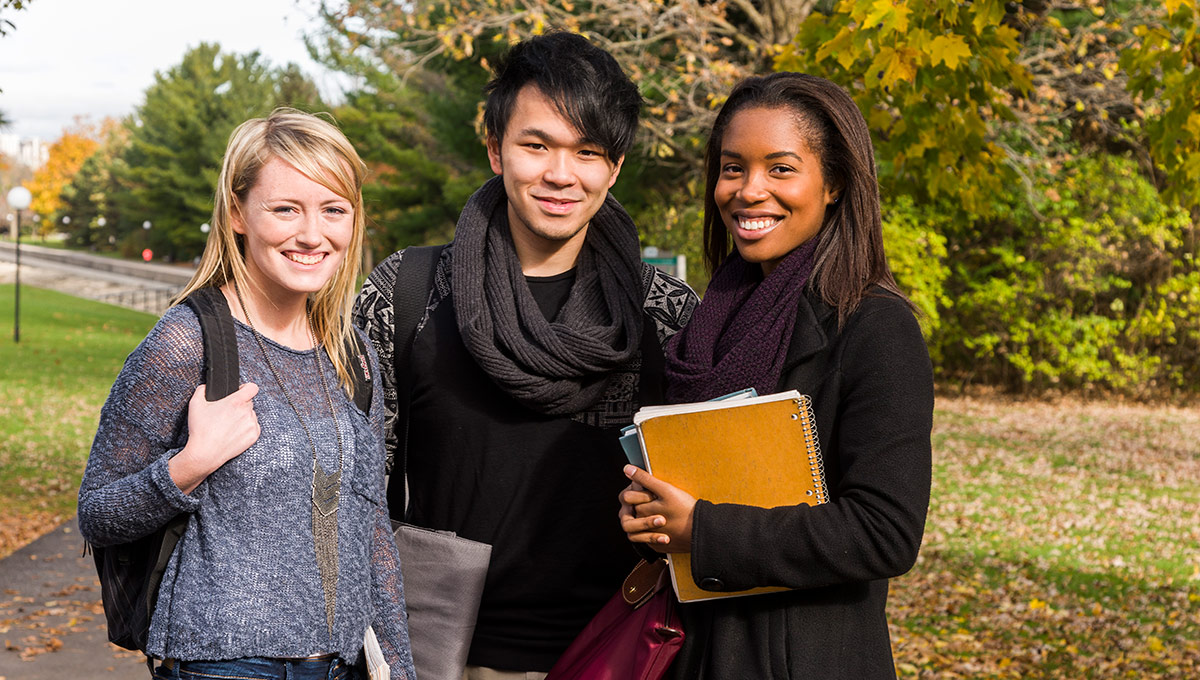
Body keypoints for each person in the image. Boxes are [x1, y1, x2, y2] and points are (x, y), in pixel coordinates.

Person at [353, 32, 698, 679]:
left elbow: (709, 502)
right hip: (442, 658)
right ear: (494, 149)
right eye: (536, 145)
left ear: (615, 166)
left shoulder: (667, 315)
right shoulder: (406, 294)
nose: (561, 174)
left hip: (622, 654)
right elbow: (351, 491)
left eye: (588, 151)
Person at [78, 109, 416, 680]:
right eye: (286, 208)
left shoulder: (350, 351)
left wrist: (400, 666)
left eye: (334, 210)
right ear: (238, 213)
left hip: (344, 665)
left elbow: (371, 526)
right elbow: (97, 513)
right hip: (225, 663)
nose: (313, 234)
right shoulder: (190, 341)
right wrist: (188, 466)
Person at [618, 72, 934, 679]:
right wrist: (649, 516)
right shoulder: (702, 325)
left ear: (835, 183)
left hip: (803, 658)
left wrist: (703, 528)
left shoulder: (873, 327)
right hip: (690, 650)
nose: (748, 190)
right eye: (733, 168)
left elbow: (885, 533)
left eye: (781, 169)